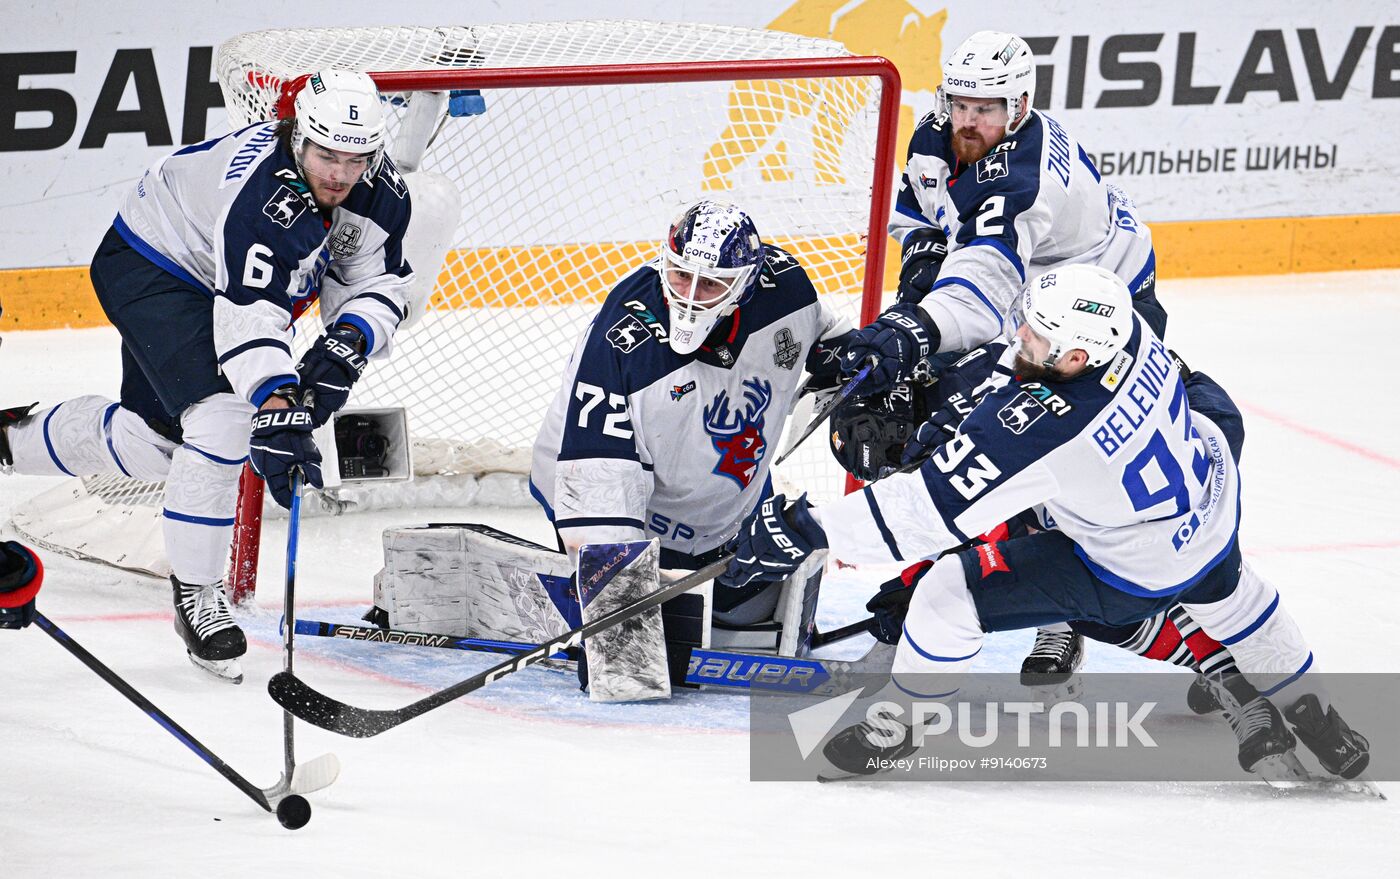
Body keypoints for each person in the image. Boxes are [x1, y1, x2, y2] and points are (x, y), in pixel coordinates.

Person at [725, 264, 1370, 781]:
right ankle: (1317, 715)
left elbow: (922, 515)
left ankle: (904, 720)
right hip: (1208, 507)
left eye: (1034, 337)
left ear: (1076, 357)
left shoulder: (1041, 426)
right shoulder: (1128, 331)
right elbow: (1190, 387)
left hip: (1131, 566)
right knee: (1239, 602)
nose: (1020, 340)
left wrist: (805, 529)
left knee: (949, 590)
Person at [0, 70, 415, 682]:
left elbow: (378, 282)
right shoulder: (263, 198)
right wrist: (278, 401)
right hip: (154, 263)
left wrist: (347, 343)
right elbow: (249, 317)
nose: (339, 174)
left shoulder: (381, 190)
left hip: (211, 275)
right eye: (327, 155)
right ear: (299, 136)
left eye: (355, 160)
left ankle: (9, 442)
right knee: (223, 420)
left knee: (158, 445)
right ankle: (197, 594)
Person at [842, 29, 1168, 680]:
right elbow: (922, 215)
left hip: (1098, 317)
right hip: (1033, 303)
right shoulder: (938, 135)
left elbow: (984, 292)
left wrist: (914, 328)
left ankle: (1060, 618)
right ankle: (921, 596)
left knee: (1034, 451)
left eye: (986, 109)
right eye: (961, 104)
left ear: (1019, 106)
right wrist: (920, 273)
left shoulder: (1022, 178)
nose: (970, 121)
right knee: (939, 435)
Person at [530, 199, 852, 661]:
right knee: (659, 627)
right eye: (681, 275)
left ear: (746, 283)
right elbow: (597, 494)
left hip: (723, 493)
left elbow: (827, 341)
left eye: (711, 284)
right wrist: (618, 638)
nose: (690, 296)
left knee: (743, 614)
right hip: (610, 493)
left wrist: (860, 370)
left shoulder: (787, 290)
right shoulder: (622, 346)